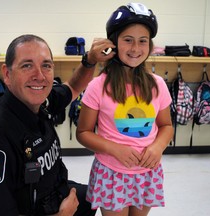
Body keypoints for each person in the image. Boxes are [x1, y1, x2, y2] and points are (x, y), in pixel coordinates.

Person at [0, 34, 99, 216]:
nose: (39, 76)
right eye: (27, 66)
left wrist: (89, 60)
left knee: (95, 197)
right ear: (7, 74)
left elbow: (72, 87)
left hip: (52, 194)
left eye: (46, 66)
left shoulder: (40, 101)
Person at [76, 3, 174, 216]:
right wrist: (114, 149)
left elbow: (166, 125)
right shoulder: (98, 86)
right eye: (128, 40)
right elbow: (82, 133)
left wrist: (157, 147)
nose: (135, 48)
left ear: (150, 45)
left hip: (147, 173)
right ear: (114, 44)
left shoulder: (158, 84)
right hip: (111, 174)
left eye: (142, 41)